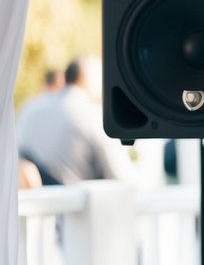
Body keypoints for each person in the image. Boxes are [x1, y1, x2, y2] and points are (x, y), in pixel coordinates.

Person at [16, 55, 136, 185]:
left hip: (26, 200)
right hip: (74, 202)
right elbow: (123, 178)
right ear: (92, 80)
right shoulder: (95, 116)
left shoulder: (30, 107)